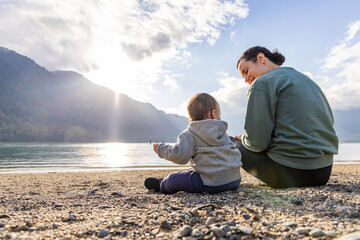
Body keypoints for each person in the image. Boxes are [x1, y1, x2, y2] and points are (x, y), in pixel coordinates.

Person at [232, 46, 339, 188]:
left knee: (228, 142)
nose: (245, 79)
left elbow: (257, 143)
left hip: (291, 173)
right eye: (242, 76)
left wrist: (245, 138)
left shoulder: (262, 83)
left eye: (246, 71)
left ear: (261, 58)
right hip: (323, 172)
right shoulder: (306, 80)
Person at [144, 93, 242, 194]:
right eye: (219, 114)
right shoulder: (223, 133)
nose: (220, 117)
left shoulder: (189, 134)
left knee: (174, 178)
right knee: (192, 171)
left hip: (211, 183)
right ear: (213, 113)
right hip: (234, 179)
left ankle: (161, 184)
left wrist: (161, 149)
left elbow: (179, 156)